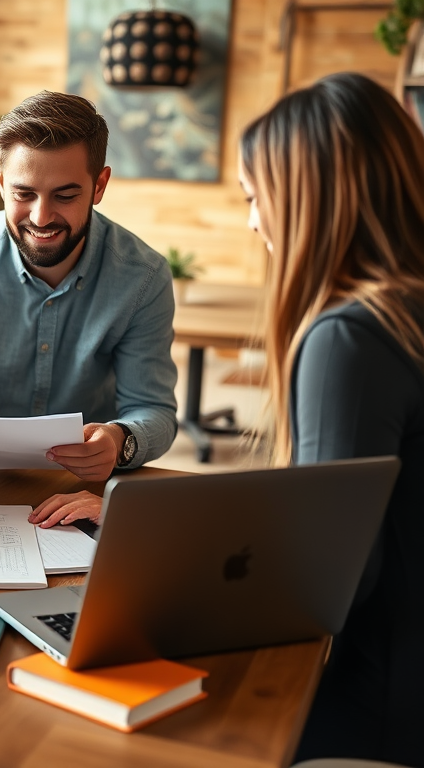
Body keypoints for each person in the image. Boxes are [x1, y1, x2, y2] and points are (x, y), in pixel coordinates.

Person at [238, 72, 424, 766]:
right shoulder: (409, 310)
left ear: (307, 196)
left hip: (382, 704)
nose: (254, 222)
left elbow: (326, 580)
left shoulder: (352, 335)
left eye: (256, 198)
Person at [0, 90, 178, 525]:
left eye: (65, 196)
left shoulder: (143, 278)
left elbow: (154, 410)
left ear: (99, 185)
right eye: (23, 194)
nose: (41, 217)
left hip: (83, 492)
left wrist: (121, 439)